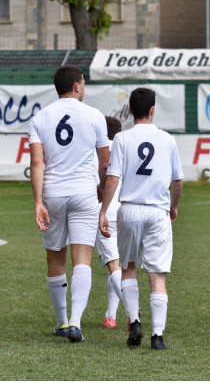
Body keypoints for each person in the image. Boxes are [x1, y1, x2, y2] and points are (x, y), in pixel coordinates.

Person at [29, 65, 110, 343]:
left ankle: (62, 322)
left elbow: (37, 162)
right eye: (83, 83)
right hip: (84, 193)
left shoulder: (40, 117)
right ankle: (76, 321)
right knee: (82, 258)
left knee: (55, 257)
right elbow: (105, 162)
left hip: (53, 193)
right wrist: (101, 188)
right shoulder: (94, 115)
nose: (84, 87)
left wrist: (38, 201)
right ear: (76, 86)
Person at [99, 87, 184, 350]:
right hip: (158, 212)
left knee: (129, 269)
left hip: (130, 210)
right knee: (157, 276)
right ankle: (157, 337)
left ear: (130, 111)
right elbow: (178, 181)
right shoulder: (168, 139)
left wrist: (103, 210)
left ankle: (135, 322)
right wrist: (173, 206)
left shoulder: (122, 139)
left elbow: (113, 178)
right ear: (152, 110)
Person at [95, 116, 124, 328]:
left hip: (105, 212)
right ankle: (110, 316)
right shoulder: (126, 148)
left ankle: (133, 311)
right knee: (120, 266)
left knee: (114, 266)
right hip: (128, 210)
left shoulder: (97, 150)